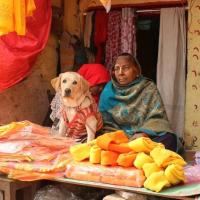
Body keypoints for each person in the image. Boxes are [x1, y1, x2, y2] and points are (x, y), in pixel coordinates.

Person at [99, 53, 181, 152]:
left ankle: (131, 153)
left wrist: (144, 133)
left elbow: (157, 118)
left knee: (170, 139)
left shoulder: (148, 88)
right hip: (118, 139)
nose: (120, 73)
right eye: (116, 69)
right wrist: (121, 137)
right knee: (102, 141)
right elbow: (106, 123)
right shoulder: (108, 90)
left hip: (143, 138)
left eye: (125, 68)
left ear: (136, 70)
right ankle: (135, 152)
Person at [50, 63, 110, 130]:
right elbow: (59, 122)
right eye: (98, 84)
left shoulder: (98, 98)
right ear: (87, 81)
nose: (101, 89)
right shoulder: (63, 95)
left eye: (104, 85)